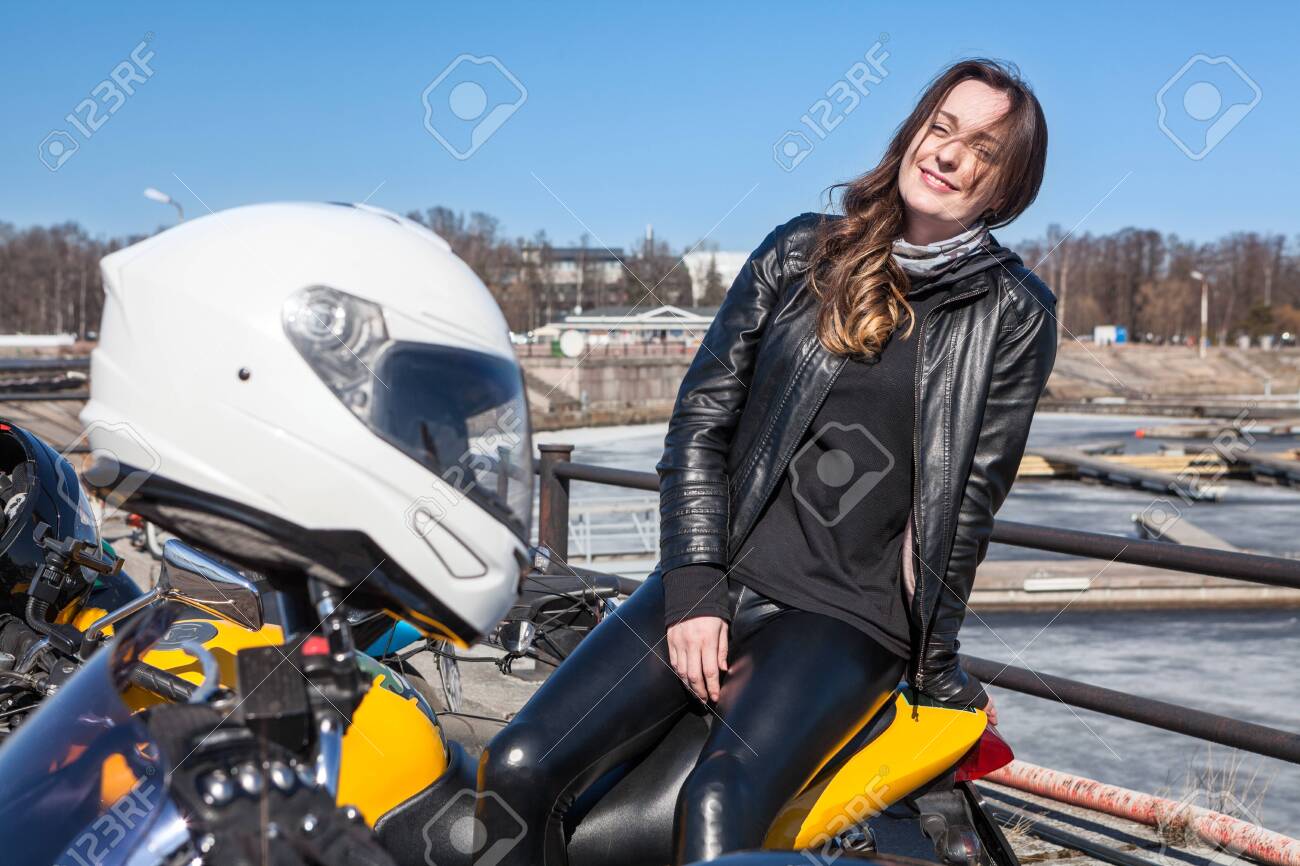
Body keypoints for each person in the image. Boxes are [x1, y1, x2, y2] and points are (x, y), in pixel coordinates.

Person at [476, 57, 1057, 865]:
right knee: (516, 766)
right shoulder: (800, 254)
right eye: (941, 128)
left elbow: (966, 508)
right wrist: (694, 588)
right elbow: (701, 423)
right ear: (913, 135)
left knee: (718, 800)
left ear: (1004, 187)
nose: (950, 155)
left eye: (983, 150)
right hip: (723, 575)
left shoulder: (1015, 314)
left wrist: (937, 669)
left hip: (847, 619)